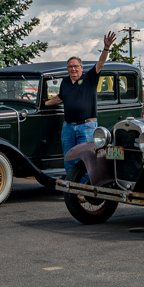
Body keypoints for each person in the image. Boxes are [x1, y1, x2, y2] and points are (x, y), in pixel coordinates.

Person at [45, 32, 118, 178]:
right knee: (69, 158)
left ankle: (85, 187)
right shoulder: (65, 82)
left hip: (86, 126)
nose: (73, 69)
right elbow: (60, 97)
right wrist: (43, 103)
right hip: (68, 127)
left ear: (81, 67)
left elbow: (101, 63)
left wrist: (106, 48)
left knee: (86, 159)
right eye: (70, 67)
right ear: (67, 69)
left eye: (75, 66)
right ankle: (72, 185)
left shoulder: (89, 78)